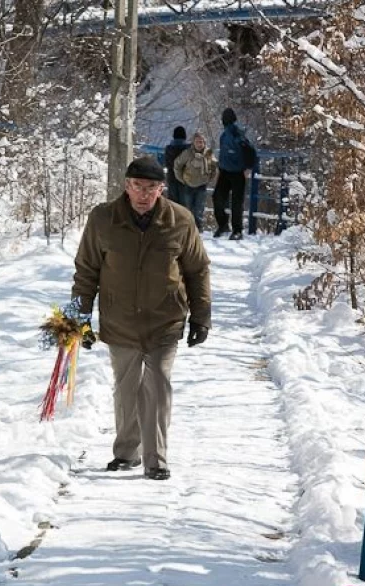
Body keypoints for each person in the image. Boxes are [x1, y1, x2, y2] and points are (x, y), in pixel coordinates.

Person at [68, 156, 211, 481]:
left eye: (151, 188)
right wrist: (79, 317)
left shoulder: (180, 220)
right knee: (127, 387)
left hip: (165, 318)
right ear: (126, 186)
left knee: (157, 384)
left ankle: (156, 460)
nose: (143, 194)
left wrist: (201, 317)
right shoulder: (104, 219)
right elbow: (86, 270)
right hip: (120, 319)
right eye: (137, 186)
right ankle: (126, 453)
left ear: (162, 188)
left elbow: (197, 269)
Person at [213, 108, 254, 240]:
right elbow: (250, 151)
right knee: (234, 202)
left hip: (234, 171)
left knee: (221, 199)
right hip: (229, 171)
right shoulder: (228, 134)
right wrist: (248, 166)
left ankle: (230, 227)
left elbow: (249, 150)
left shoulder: (233, 133)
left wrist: (247, 167)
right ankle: (233, 229)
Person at [174, 131, 217, 232]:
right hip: (188, 184)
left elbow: (214, 166)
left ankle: (198, 228)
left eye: (201, 142)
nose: (199, 144)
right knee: (188, 208)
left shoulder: (208, 153)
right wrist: (181, 179)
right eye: (197, 141)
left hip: (202, 185)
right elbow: (177, 165)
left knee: (199, 208)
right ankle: (188, 228)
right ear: (193, 142)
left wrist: (209, 178)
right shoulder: (187, 153)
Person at [163, 126, 191, 206]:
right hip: (185, 180)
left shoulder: (169, 149)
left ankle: (173, 218)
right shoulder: (189, 149)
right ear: (184, 136)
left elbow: (167, 163)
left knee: (172, 204)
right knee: (185, 205)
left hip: (172, 178)